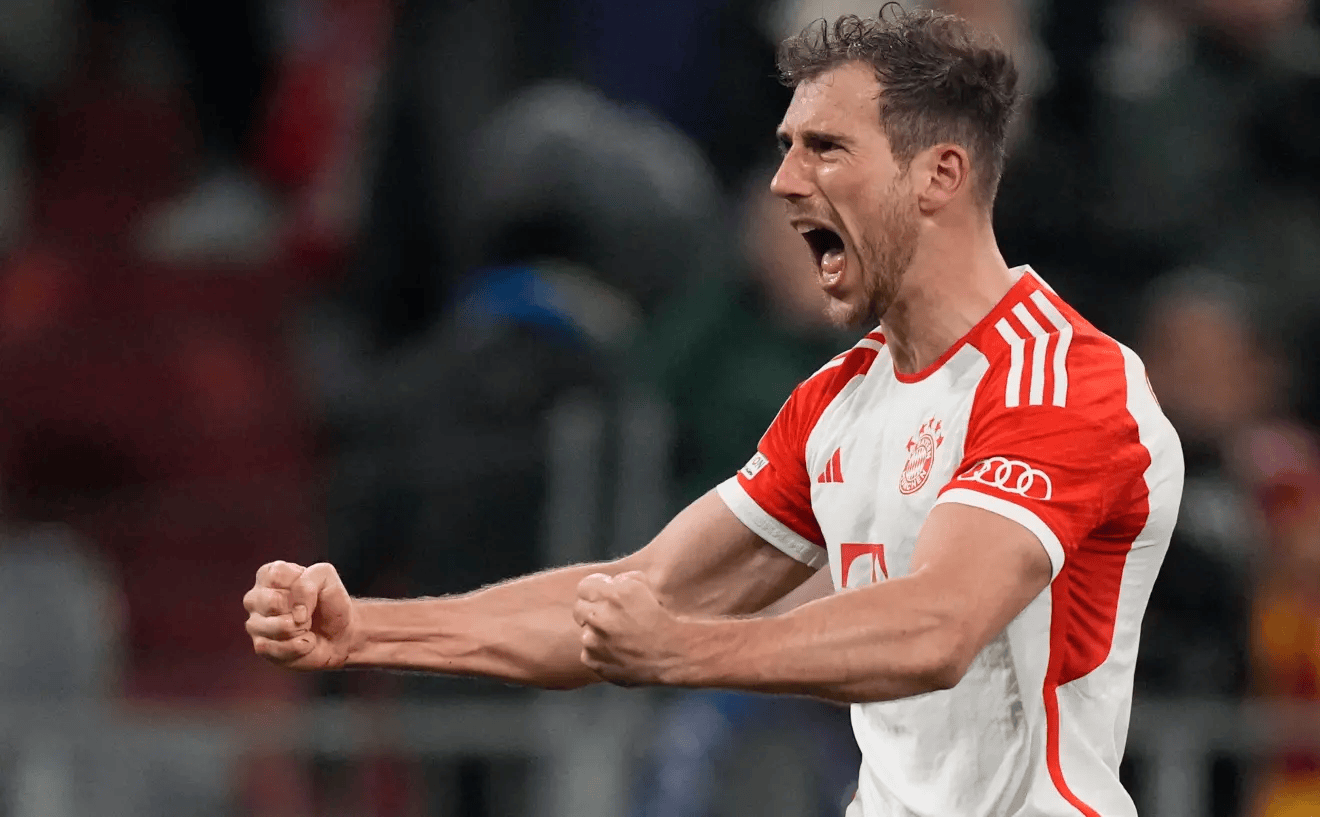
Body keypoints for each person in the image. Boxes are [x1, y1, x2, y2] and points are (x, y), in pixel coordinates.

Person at [243, 8, 1184, 816]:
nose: (784, 181)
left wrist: (689, 651)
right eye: (786, 147)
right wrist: (366, 630)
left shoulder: (1064, 382)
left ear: (939, 175)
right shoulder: (838, 403)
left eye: (826, 148)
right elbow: (633, 594)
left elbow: (938, 627)